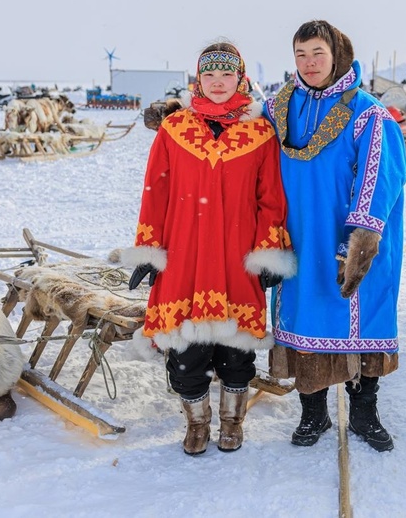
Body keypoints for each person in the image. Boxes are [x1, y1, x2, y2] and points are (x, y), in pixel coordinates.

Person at [122, 41, 296, 456]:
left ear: (241, 78)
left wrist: (268, 250)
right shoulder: (174, 129)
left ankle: (233, 422)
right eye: (209, 76)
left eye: (226, 75)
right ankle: (197, 424)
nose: (218, 83)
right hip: (184, 254)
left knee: (237, 350)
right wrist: (149, 249)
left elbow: (271, 198)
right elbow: (155, 193)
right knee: (185, 350)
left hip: (237, 257)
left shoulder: (260, 133)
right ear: (197, 80)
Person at [263, 20, 406, 452]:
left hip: (354, 242)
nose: (309, 64)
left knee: (360, 321)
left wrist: (363, 234)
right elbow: (234, 120)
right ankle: (314, 414)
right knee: (307, 321)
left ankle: (364, 414)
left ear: (337, 54)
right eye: (301, 55)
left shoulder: (368, 113)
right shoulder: (281, 107)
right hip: (301, 240)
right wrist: (177, 111)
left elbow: (383, 174)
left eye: (317, 54)